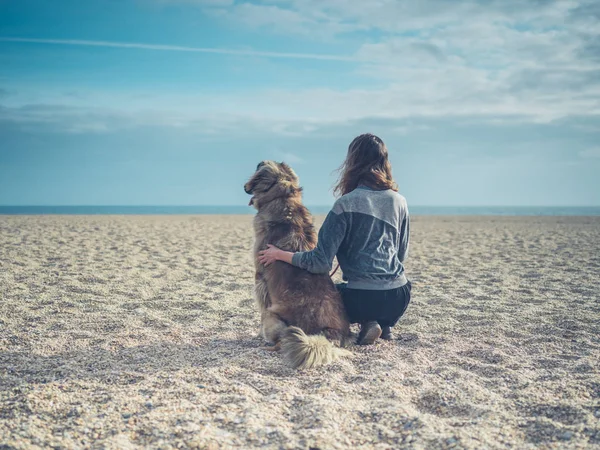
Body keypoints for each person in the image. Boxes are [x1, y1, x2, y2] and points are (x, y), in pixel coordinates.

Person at [258, 133, 411, 345]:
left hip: (362, 298)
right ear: (385, 162)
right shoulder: (400, 201)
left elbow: (320, 263)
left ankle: (369, 319)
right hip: (399, 297)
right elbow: (401, 253)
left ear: (352, 163)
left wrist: (280, 254)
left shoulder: (345, 204)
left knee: (332, 295)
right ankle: (384, 324)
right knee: (379, 292)